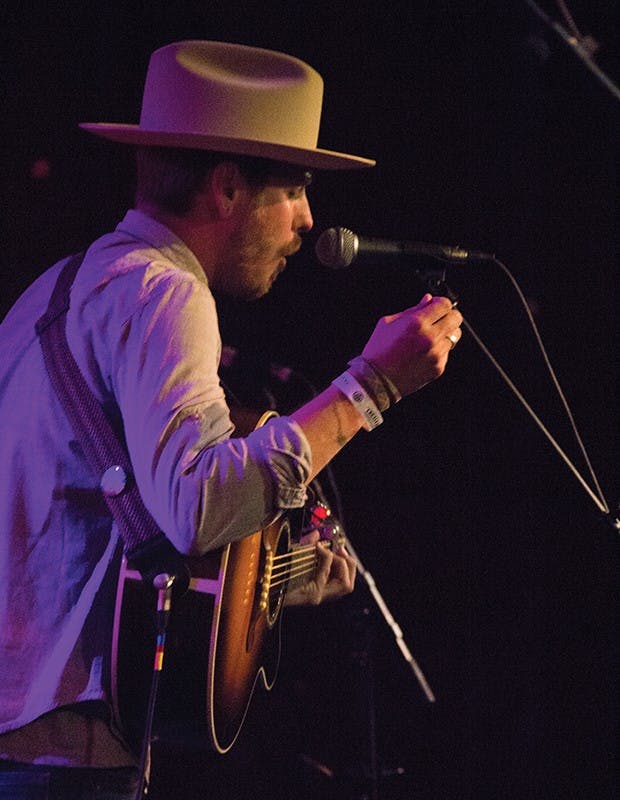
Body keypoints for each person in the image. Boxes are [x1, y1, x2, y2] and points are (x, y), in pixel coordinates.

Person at [0, 40, 463, 799]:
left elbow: (100, 529)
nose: (309, 221)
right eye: (297, 189)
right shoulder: (167, 294)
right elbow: (199, 505)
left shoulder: (57, 290)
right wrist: (372, 387)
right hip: (59, 764)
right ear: (226, 186)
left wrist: (272, 583)